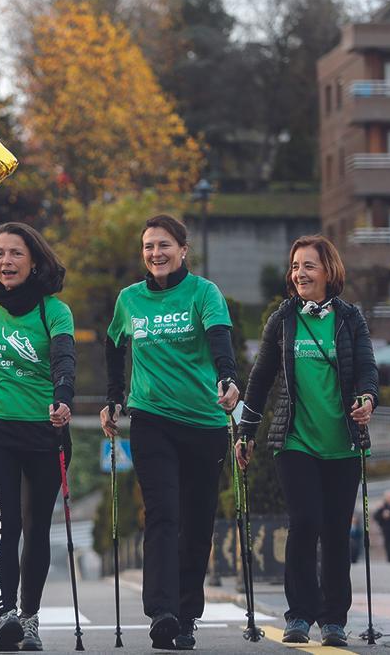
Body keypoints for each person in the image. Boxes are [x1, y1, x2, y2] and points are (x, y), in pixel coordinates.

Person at [100, 214, 237, 651]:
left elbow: (220, 342)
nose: (155, 254)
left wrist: (228, 380)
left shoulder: (204, 293)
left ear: (182, 249)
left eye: (163, 245)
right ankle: (161, 611)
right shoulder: (129, 299)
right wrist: (115, 396)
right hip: (151, 419)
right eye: (148, 247)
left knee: (197, 524)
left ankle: (186, 615)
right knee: (162, 515)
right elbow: (113, 345)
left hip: (204, 422)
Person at [238, 234, 378, 647]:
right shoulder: (283, 320)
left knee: (336, 530)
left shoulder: (350, 319)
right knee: (304, 522)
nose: (300, 273)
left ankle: (334, 619)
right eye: (296, 266)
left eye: (309, 266)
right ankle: (299, 613)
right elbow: (260, 379)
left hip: (343, 443)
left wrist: (367, 399)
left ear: (328, 271)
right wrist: (246, 432)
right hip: (294, 439)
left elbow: (368, 369)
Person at [0, 222, 75, 652]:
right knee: (4, 524)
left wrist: (64, 398)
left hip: (44, 431)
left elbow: (65, 358)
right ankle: (6, 615)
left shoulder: (54, 310)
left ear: (34, 261)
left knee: (36, 527)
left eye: (15, 254)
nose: (6, 262)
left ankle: (30, 617)